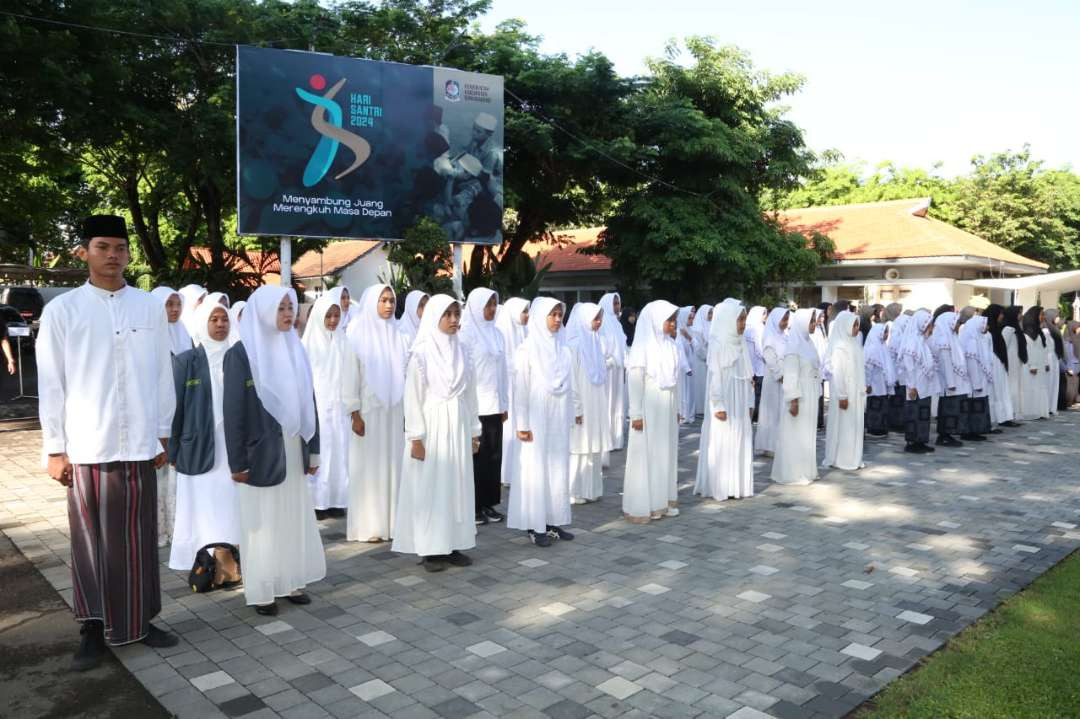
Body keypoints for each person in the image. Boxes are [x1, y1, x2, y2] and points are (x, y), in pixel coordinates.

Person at [37, 215, 178, 670]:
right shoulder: (64, 310)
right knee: (91, 542)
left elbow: (161, 372)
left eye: (120, 247)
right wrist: (55, 448)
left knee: (139, 539)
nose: (113, 255)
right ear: (84, 252)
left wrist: (161, 430)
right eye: (103, 246)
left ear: (128, 254)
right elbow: (52, 383)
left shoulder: (148, 307)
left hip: (138, 442)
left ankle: (141, 620)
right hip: (87, 444)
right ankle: (93, 627)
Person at [223, 285, 325, 615]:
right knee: (261, 522)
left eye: (290, 308)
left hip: (293, 447)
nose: (287, 314)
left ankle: (290, 580)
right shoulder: (241, 353)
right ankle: (263, 590)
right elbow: (233, 412)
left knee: (292, 517)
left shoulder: (295, 347)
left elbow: (309, 402)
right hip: (259, 453)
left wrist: (314, 450)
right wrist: (237, 461)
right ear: (264, 311)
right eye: (280, 308)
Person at [393, 295, 481, 572]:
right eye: (448, 314)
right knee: (431, 487)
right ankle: (431, 549)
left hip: (458, 425)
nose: (455, 320)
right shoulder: (420, 353)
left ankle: (452, 543)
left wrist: (474, 431)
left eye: (457, 313)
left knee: (456, 485)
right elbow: (413, 398)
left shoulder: (464, 350)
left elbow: (471, 394)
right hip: (431, 428)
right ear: (435, 317)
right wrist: (416, 437)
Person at [167, 296, 242, 585]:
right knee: (202, 505)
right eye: (214, 319)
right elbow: (176, 409)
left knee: (228, 502)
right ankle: (207, 562)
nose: (221, 324)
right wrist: (173, 449)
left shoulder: (238, 358)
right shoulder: (187, 361)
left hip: (230, 446)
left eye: (224, 319)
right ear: (203, 322)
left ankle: (227, 558)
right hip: (197, 446)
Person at [507, 297, 579, 546]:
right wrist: (523, 424)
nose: (558, 319)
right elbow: (521, 391)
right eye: (553, 315)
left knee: (557, 470)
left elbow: (569, 387)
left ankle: (552, 521)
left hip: (557, 418)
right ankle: (534, 525)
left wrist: (570, 415)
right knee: (535, 470)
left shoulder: (564, 350)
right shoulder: (526, 350)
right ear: (540, 316)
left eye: (560, 315)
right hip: (536, 420)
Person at [344, 284, 408, 542]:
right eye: (383, 300)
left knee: (393, 465)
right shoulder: (358, 336)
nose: (389, 305)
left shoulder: (400, 335)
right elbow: (350, 377)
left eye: (391, 300)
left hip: (393, 412)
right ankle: (370, 526)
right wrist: (354, 413)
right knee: (369, 469)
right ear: (372, 302)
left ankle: (393, 523)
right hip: (369, 413)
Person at [622, 300, 682, 521]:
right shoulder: (642, 348)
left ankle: (664, 501)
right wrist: (636, 413)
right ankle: (645, 504)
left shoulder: (672, 346)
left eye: (674, 319)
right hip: (648, 409)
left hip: (667, 407)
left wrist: (678, 408)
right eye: (670, 320)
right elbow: (635, 381)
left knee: (666, 453)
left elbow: (675, 381)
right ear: (656, 321)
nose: (674, 324)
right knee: (648, 454)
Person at [693, 300, 754, 500]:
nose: (743, 324)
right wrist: (717, 404)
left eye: (744, 319)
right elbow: (715, 376)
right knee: (723, 439)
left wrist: (749, 403)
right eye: (740, 319)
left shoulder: (741, 342)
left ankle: (736, 485)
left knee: (738, 438)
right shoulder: (718, 343)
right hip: (725, 401)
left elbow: (747, 376)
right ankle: (721, 485)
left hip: (739, 399)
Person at [459, 287, 508, 525]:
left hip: (495, 405)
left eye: (494, 305)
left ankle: (489, 503)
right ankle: (474, 505)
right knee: (477, 457)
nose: (491, 309)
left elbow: (503, 371)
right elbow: (466, 374)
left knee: (493, 456)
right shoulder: (466, 334)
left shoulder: (498, 334)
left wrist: (505, 404)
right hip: (477, 406)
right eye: (487, 305)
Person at [301, 292, 352, 519]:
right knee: (320, 453)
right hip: (317, 406)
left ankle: (336, 499)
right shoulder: (306, 345)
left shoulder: (344, 341)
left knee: (339, 451)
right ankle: (316, 502)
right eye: (328, 316)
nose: (332, 320)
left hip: (339, 407)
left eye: (336, 316)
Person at [149, 286, 193, 548]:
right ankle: (157, 528)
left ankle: (178, 527)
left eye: (177, 304)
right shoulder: (151, 338)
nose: (174, 310)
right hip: (158, 415)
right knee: (158, 473)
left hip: (183, 413)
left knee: (177, 473)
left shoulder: (185, 334)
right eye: (169, 305)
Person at [771, 308, 821, 484]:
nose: (814, 324)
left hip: (811, 393)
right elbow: (791, 374)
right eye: (811, 321)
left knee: (807, 435)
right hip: (799, 395)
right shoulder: (793, 346)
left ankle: (806, 470)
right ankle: (793, 473)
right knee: (796, 434)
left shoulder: (809, 343)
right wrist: (793, 399)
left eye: (815, 321)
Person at [566, 302, 610, 504]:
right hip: (582, 404)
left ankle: (591, 490)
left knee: (592, 446)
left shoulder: (595, 342)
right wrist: (576, 407)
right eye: (595, 318)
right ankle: (575, 490)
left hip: (596, 404)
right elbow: (572, 380)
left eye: (600, 318)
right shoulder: (574, 346)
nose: (599, 322)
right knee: (579, 447)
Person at [822, 310, 866, 470]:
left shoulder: (854, 343)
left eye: (857, 325)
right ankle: (841, 459)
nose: (856, 329)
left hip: (855, 393)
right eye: (854, 325)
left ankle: (853, 458)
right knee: (844, 427)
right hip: (845, 394)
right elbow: (838, 372)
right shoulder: (839, 347)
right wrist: (842, 395)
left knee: (853, 426)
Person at [495, 298, 529, 488]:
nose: (527, 316)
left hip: (521, 386)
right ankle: (505, 473)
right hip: (507, 386)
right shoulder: (502, 331)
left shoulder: (524, 331)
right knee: (508, 431)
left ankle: (516, 470)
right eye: (524, 312)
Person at [899, 310, 939, 454]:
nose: (931, 328)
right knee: (914, 414)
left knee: (922, 414)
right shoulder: (912, 342)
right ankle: (912, 443)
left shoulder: (922, 341)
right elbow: (909, 366)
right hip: (915, 386)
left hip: (924, 386)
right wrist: (912, 386)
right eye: (929, 325)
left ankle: (921, 441)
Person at [597, 293, 628, 466]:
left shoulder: (616, 323)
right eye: (614, 303)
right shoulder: (602, 322)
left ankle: (616, 438)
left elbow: (622, 344)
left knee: (617, 403)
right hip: (607, 369)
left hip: (617, 370)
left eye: (618, 303)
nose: (617, 306)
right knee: (608, 402)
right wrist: (611, 360)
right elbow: (601, 346)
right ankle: (607, 438)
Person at [932, 311, 970, 447]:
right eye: (957, 322)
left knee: (953, 410)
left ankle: (948, 435)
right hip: (950, 383)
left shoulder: (952, 337)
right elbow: (945, 363)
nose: (958, 325)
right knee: (948, 410)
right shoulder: (944, 340)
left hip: (956, 381)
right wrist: (950, 383)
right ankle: (944, 436)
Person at [754, 307, 789, 456]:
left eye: (787, 319)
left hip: (785, 379)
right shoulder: (769, 336)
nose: (785, 323)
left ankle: (780, 444)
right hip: (775, 380)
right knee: (772, 412)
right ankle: (769, 445)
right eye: (783, 319)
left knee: (781, 412)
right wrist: (780, 375)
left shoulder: (784, 336)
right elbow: (769, 358)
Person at [958, 311, 993, 439]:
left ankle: (976, 431)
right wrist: (977, 383)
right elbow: (972, 365)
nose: (987, 327)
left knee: (978, 407)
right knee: (974, 408)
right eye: (984, 324)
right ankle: (970, 432)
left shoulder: (979, 339)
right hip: (975, 383)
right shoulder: (972, 342)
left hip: (979, 381)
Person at [985, 305, 1018, 427]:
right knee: (996, 392)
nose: (1002, 316)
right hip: (993, 364)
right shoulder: (988, 330)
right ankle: (996, 418)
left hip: (999, 363)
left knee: (1002, 390)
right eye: (1000, 314)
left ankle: (1004, 417)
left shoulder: (997, 329)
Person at [863, 323, 895, 438]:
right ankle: (873, 429)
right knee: (875, 406)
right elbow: (867, 368)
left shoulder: (883, 346)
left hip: (882, 384)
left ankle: (881, 428)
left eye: (887, 332)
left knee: (882, 406)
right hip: (874, 384)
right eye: (885, 332)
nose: (886, 335)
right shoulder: (872, 348)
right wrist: (867, 383)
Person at [1019, 306, 1051, 420]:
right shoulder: (1027, 334)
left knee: (1040, 387)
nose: (1043, 317)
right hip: (1030, 367)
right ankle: (1030, 412)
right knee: (1030, 388)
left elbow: (1044, 349)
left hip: (1040, 365)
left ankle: (1039, 411)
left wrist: (1046, 363)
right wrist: (1032, 365)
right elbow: (1028, 350)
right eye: (1041, 314)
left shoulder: (1039, 332)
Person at [1002, 306, 1029, 418]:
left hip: (1016, 361)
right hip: (1010, 361)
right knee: (1011, 386)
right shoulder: (1008, 329)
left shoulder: (1017, 328)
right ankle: (1010, 413)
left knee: (1016, 386)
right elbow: (1003, 347)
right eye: (1018, 313)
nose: (1020, 315)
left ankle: (1016, 412)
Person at [151, 287, 194, 355]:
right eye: (169, 304)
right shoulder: (149, 334)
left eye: (179, 304)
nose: (176, 309)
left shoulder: (183, 330)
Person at [886, 313, 911, 432]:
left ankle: (901, 422)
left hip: (904, 375)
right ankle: (896, 423)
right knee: (897, 401)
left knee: (901, 401)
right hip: (897, 374)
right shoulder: (897, 337)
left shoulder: (905, 337)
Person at [744, 306, 767, 422]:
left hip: (750, 365)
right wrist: (767, 359)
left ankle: (752, 415)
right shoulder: (757, 328)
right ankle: (756, 415)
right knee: (758, 393)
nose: (765, 316)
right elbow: (759, 349)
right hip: (760, 365)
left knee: (752, 392)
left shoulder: (747, 327)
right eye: (763, 314)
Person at [691, 303, 714, 418]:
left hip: (709, 359)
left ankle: (708, 408)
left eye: (712, 312)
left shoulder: (711, 325)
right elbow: (698, 346)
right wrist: (706, 355)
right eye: (709, 313)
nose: (711, 315)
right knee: (701, 383)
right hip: (700, 359)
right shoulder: (697, 328)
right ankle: (700, 409)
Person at [675, 306, 696, 421]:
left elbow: (697, 347)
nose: (691, 321)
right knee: (682, 391)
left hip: (691, 364)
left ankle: (689, 414)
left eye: (692, 318)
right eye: (689, 318)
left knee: (690, 391)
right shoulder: (677, 332)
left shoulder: (690, 331)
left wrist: (688, 337)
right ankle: (682, 414)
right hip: (682, 367)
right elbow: (679, 350)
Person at [1043, 308, 1066, 413]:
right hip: (1048, 359)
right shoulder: (1046, 330)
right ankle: (1046, 407)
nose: (1058, 318)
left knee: (1054, 384)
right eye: (1057, 316)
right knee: (1048, 383)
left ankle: (1051, 407)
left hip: (1055, 359)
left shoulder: (1054, 329)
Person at [1065, 321, 1080, 407]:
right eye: (1078, 327)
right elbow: (1067, 355)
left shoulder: (1077, 338)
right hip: (1071, 366)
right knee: (1071, 384)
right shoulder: (1068, 340)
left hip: (1077, 365)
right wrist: (1068, 367)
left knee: (1076, 383)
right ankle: (1069, 400)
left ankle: (1075, 398)